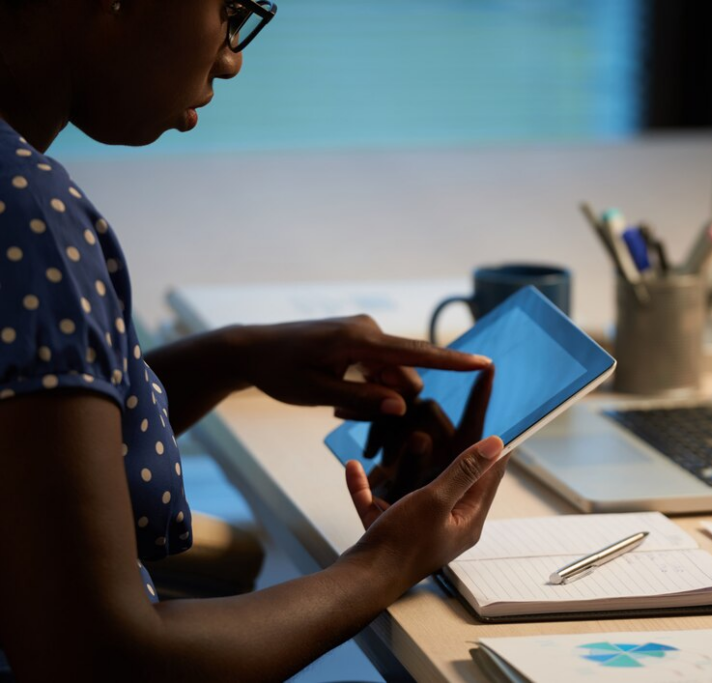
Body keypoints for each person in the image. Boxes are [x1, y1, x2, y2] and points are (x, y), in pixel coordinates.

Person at [0, 1, 508, 680]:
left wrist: (238, 355)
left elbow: (26, 447)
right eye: (229, 10)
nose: (232, 57)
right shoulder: (30, 219)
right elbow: (104, 656)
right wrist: (386, 563)